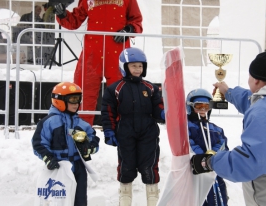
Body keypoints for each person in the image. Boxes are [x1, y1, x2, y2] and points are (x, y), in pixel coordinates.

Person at [190, 51, 266, 205]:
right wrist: (229, 93)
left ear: (256, 80)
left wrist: (209, 162)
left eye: (250, 75)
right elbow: (254, 101)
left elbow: (250, 162)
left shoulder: (264, 111)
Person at [53, 0, 143, 126]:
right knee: (84, 93)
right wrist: (62, 14)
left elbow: (136, 20)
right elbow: (75, 21)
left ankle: (124, 132)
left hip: (117, 53)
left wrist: (128, 30)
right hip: (92, 54)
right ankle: (81, 133)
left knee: (122, 94)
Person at [101, 47, 165, 206]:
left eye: (140, 66)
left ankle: (153, 199)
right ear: (124, 67)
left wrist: (164, 114)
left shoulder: (150, 88)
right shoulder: (115, 89)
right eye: (134, 66)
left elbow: (158, 107)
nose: (138, 69)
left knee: (149, 164)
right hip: (125, 131)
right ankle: (124, 198)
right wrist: (109, 130)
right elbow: (108, 111)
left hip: (148, 132)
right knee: (126, 164)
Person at [31, 82, 100, 206]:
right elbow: (38, 144)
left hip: (78, 168)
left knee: (79, 200)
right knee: (60, 201)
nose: (76, 103)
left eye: (79, 99)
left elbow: (94, 140)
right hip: (58, 167)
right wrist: (48, 158)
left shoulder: (81, 123)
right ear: (59, 100)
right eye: (73, 99)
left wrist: (89, 148)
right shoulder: (49, 122)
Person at [186, 88, 229, 206]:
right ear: (191, 107)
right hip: (196, 171)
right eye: (199, 106)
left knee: (217, 199)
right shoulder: (187, 126)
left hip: (213, 171)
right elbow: (188, 142)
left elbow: (223, 144)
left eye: (206, 106)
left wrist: (213, 154)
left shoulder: (216, 129)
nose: (203, 110)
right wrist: (202, 156)